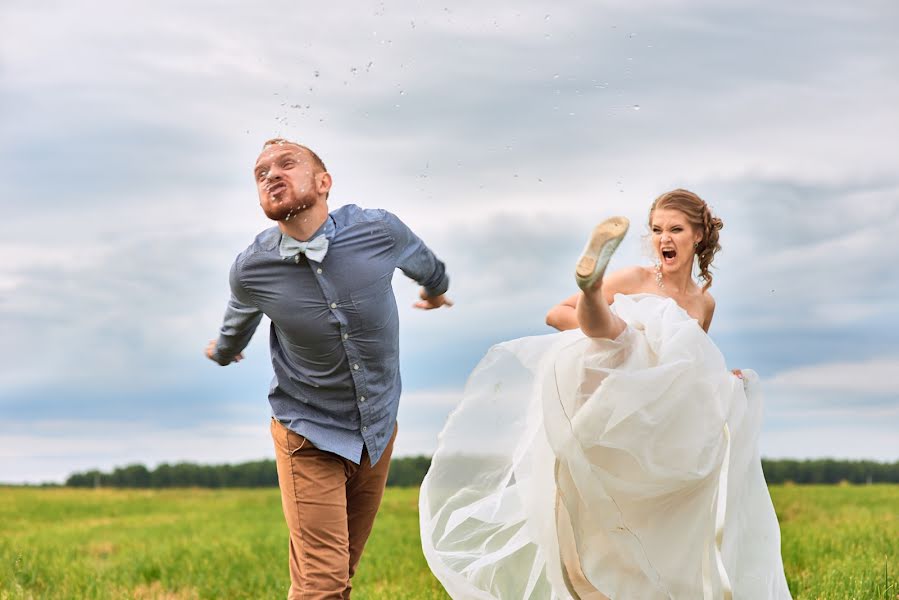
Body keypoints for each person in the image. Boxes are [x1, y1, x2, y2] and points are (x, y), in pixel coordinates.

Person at [419, 189, 791, 599]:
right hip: (609, 403)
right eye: (656, 230)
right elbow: (554, 314)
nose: (663, 238)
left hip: (654, 433)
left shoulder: (704, 304)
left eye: (675, 229)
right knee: (624, 332)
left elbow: (690, 370)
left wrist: (727, 379)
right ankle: (592, 289)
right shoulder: (637, 279)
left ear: (699, 236)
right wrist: (627, 342)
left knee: (649, 534)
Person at [206, 138, 451, 600]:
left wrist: (436, 293)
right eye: (261, 173)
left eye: (286, 164)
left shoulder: (378, 230)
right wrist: (221, 351)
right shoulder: (252, 269)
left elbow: (428, 266)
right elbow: (235, 327)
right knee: (322, 584)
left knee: (340, 576)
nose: (271, 174)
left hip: (376, 429)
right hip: (308, 430)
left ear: (324, 182)